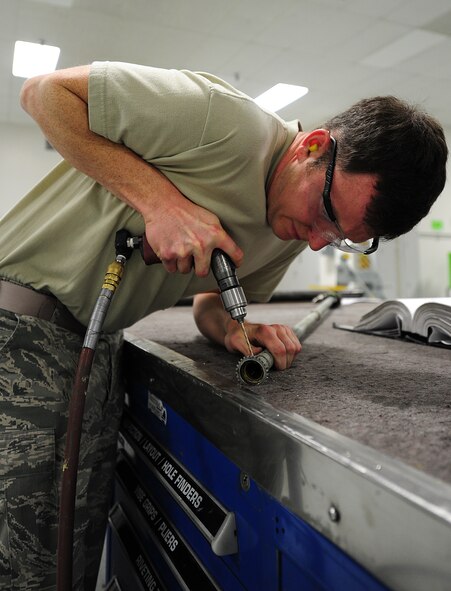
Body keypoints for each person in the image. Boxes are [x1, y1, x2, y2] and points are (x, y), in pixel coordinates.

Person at [0, 61, 447, 590]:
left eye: (346, 238)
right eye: (326, 212)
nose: (320, 241)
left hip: (95, 348)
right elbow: (44, 93)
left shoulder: (290, 230)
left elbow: (210, 302)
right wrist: (162, 205)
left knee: (68, 562)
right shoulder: (221, 122)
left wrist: (234, 331)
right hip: (19, 333)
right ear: (313, 148)